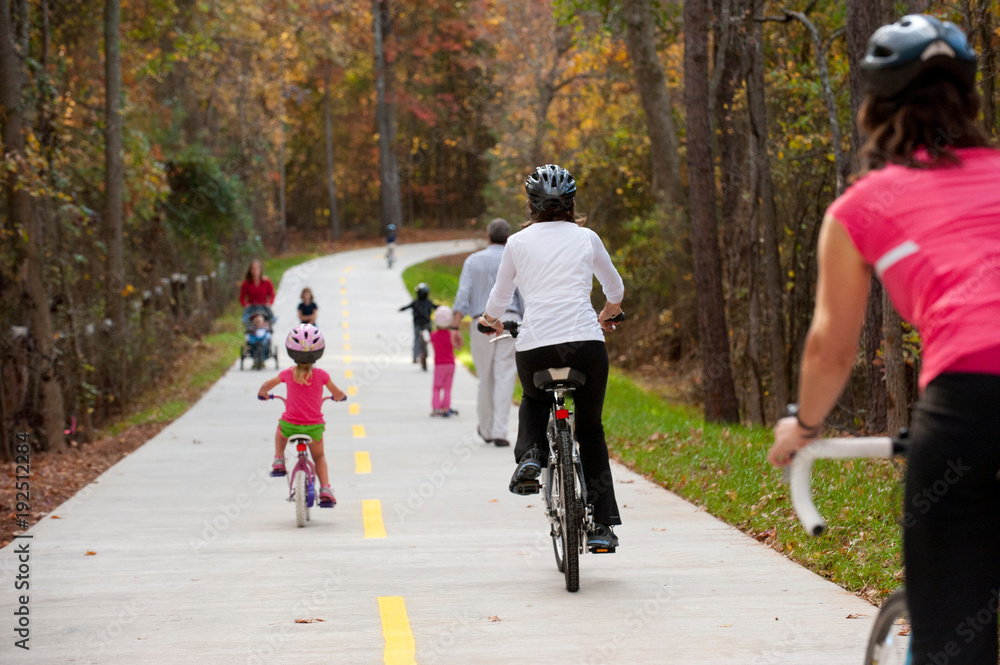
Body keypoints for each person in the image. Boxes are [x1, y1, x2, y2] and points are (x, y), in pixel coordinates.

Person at [767, 16, 1000, 665]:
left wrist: (804, 424)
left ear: (875, 106)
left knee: (954, 635)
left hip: (970, 405)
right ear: (971, 100)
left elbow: (830, 348)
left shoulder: (862, 208)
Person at [480, 164, 625, 551]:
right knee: (590, 431)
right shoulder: (587, 238)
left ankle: (531, 457)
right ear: (571, 204)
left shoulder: (516, 243)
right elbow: (614, 288)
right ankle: (601, 527)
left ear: (530, 205)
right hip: (586, 345)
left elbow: (499, 296)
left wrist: (489, 321)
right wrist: (609, 313)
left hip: (537, 345)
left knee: (534, 398)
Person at [452, 218, 524, 447]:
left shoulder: (473, 261)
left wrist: (454, 326)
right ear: (508, 236)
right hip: (512, 320)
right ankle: (500, 431)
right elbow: (524, 296)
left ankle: (486, 428)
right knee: (505, 376)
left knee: (485, 377)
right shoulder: (516, 260)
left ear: (488, 235)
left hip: (482, 322)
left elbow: (463, 294)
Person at [258, 324, 346, 508]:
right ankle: (325, 489)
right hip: (313, 428)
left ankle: (279, 460)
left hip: (291, 426)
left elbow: (266, 385)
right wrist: (339, 397)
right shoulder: (322, 375)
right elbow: (336, 392)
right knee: (319, 456)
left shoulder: (287, 374)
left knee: (280, 429)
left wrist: (263, 393)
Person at [399, 283, 437, 366]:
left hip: (417, 324)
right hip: (427, 323)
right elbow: (436, 307)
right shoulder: (428, 302)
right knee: (433, 339)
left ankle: (415, 357)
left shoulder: (415, 302)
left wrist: (401, 309)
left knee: (416, 339)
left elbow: (407, 307)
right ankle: (436, 355)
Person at [430, 305, 458, 417]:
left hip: (439, 365)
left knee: (437, 387)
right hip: (451, 364)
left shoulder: (434, 335)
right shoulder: (451, 335)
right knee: (447, 387)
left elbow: (431, 342)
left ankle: (436, 408)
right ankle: (446, 408)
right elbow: (457, 345)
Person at [240, 259, 275, 328]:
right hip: (252, 307)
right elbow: (242, 298)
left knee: (271, 319)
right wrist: (246, 305)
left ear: (260, 269)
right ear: (250, 270)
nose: (255, 270)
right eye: (253, 269)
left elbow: (272, 295)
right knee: (245, 320)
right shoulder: (246, 283)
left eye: (257, 268)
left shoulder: (266, 282)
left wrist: (269, 303)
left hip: (264, 306)